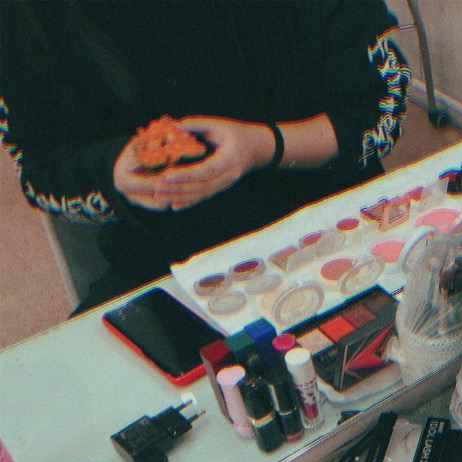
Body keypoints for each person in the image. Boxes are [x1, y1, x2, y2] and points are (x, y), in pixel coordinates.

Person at [0, 0, 409, 311]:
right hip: (172, 256)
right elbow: (41, 167)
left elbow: (379, 105)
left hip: (329, 217)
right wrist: (112, 170)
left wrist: (263, 146)